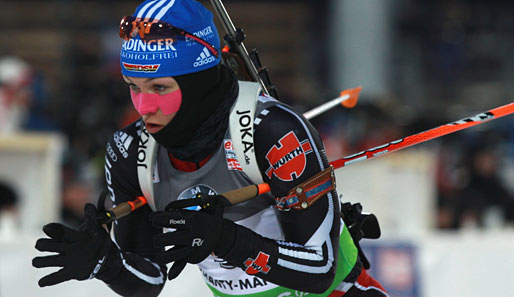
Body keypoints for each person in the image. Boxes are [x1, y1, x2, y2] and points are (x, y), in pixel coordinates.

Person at [32, 0, 388, 296]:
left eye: (159, 88)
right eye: (134, 87)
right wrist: (106, 264)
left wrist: (226, 239)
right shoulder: (130, 151)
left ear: (198, 83)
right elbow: (150, 280)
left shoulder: (272, 131)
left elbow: (321, 268)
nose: (143, 108)